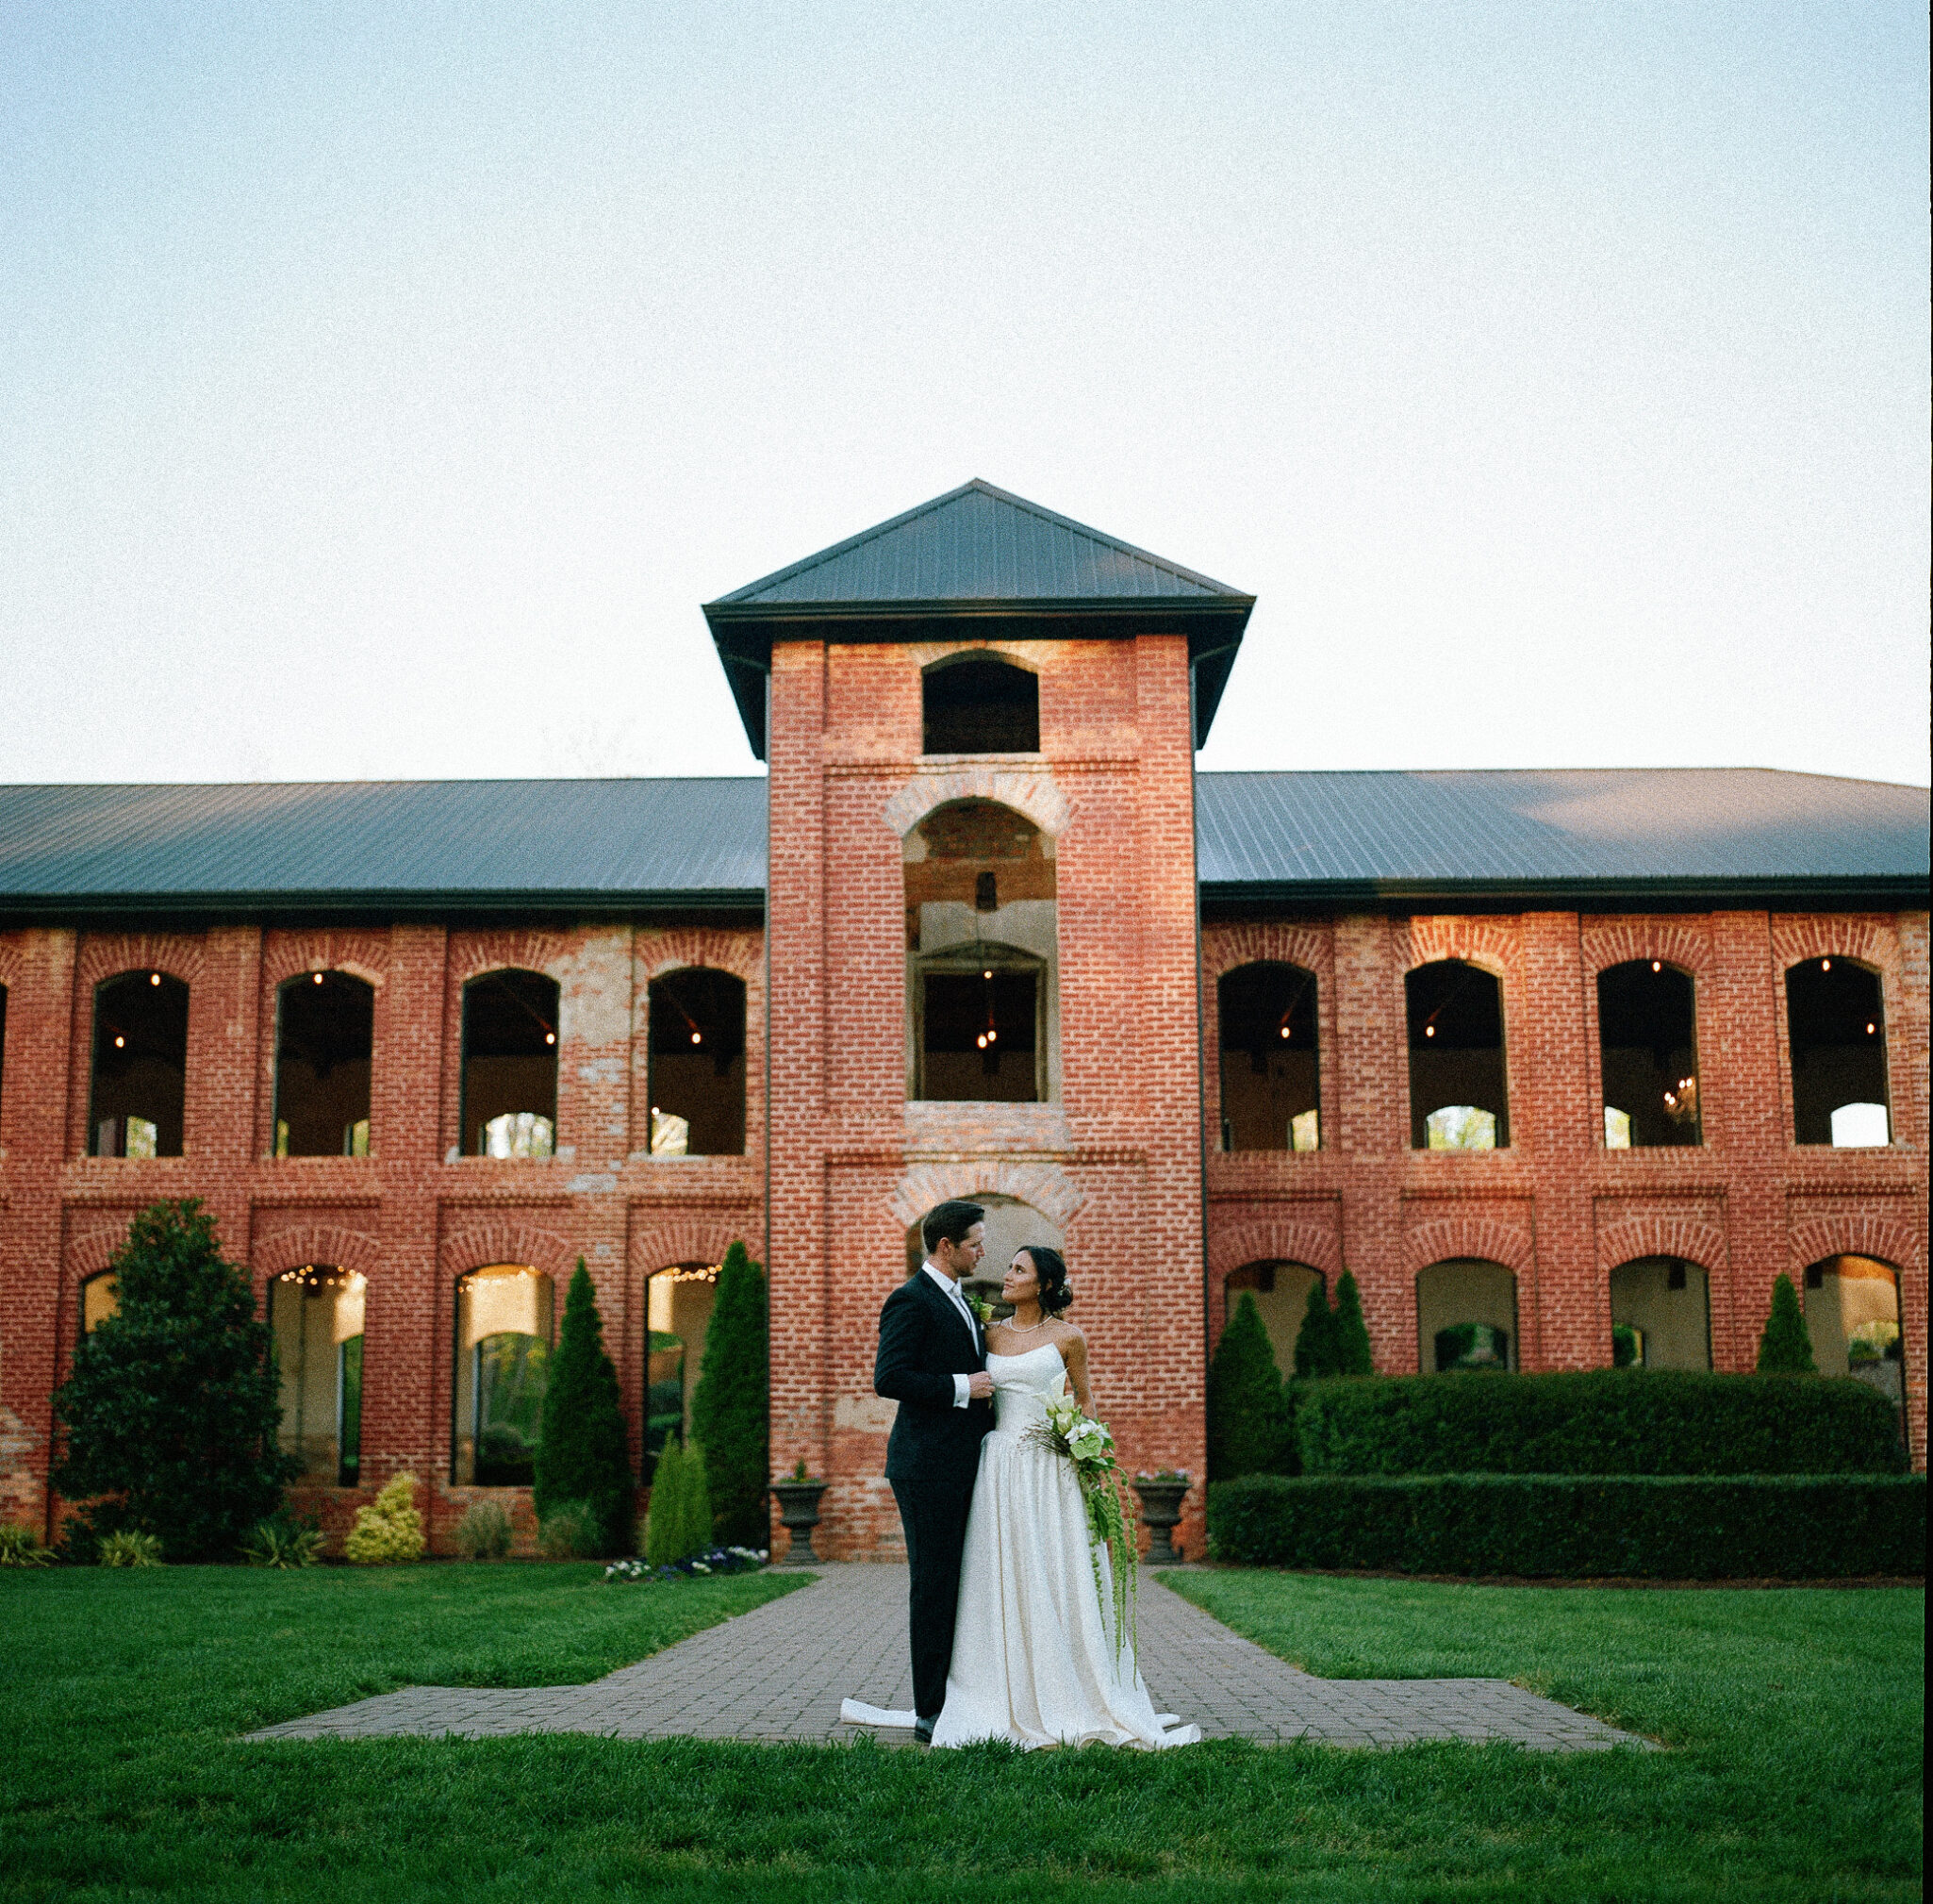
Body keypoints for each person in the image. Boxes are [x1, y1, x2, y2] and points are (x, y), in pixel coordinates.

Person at [930, 1245, 1198, 1749]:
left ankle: (1072, 1684)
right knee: (1002, 1568)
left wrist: (1088, 1449)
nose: (1006, 1276)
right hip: (1001, 1463)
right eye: (1009, 1266)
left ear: (1044, 1285)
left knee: (1056, 1565)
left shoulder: (1070, 1338)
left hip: (1052, 1468)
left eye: (1018, 1270)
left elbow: (1085, 1397)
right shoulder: (988, 1333)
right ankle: (998, 1685)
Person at [870, 1200, 996, 1744]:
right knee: (934, 1581)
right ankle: (930, 1711)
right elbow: (890, 1377)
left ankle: (963, 1695)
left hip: (963, 1462)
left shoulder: (962, 1300)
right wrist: (962, 1387)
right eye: (974, 1243)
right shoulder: (911, 1300)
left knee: (960, 1580)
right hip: (927, 1467)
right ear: (946, 1246)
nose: (982, 1250)